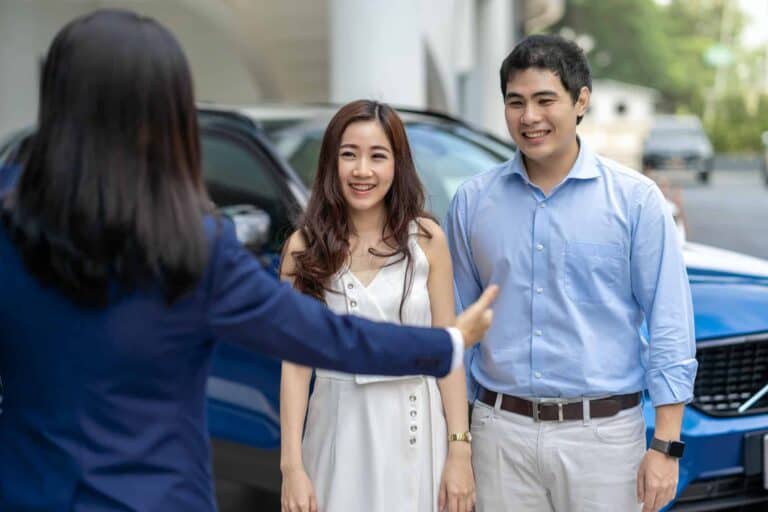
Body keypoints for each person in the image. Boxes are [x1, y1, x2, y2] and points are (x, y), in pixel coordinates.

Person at [0, 10, 497, 511]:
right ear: (168, 116)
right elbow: (320, 337)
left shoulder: (9, 227)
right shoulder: (195, 247)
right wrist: (446, 345)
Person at [445, 35, 697, 512]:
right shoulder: (472, 203)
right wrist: (459, 441)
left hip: (602, 440)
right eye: (515, 102)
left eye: (545, 100)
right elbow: (457, 334)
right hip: (500, 434)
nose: (529, 117)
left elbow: (670, 324)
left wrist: (665, 446)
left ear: (581, 101)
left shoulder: (635, 202)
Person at [279, 100, 476, 512]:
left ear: (397, 165)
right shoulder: (304, 249)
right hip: (337, 424)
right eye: (348, 154)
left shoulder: (426, 240)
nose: (362, 170)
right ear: (331, 163)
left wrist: (460, 450)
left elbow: (450, 353)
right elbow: (295, 367)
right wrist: (292, 468)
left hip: (416, 426)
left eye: (377, 156)